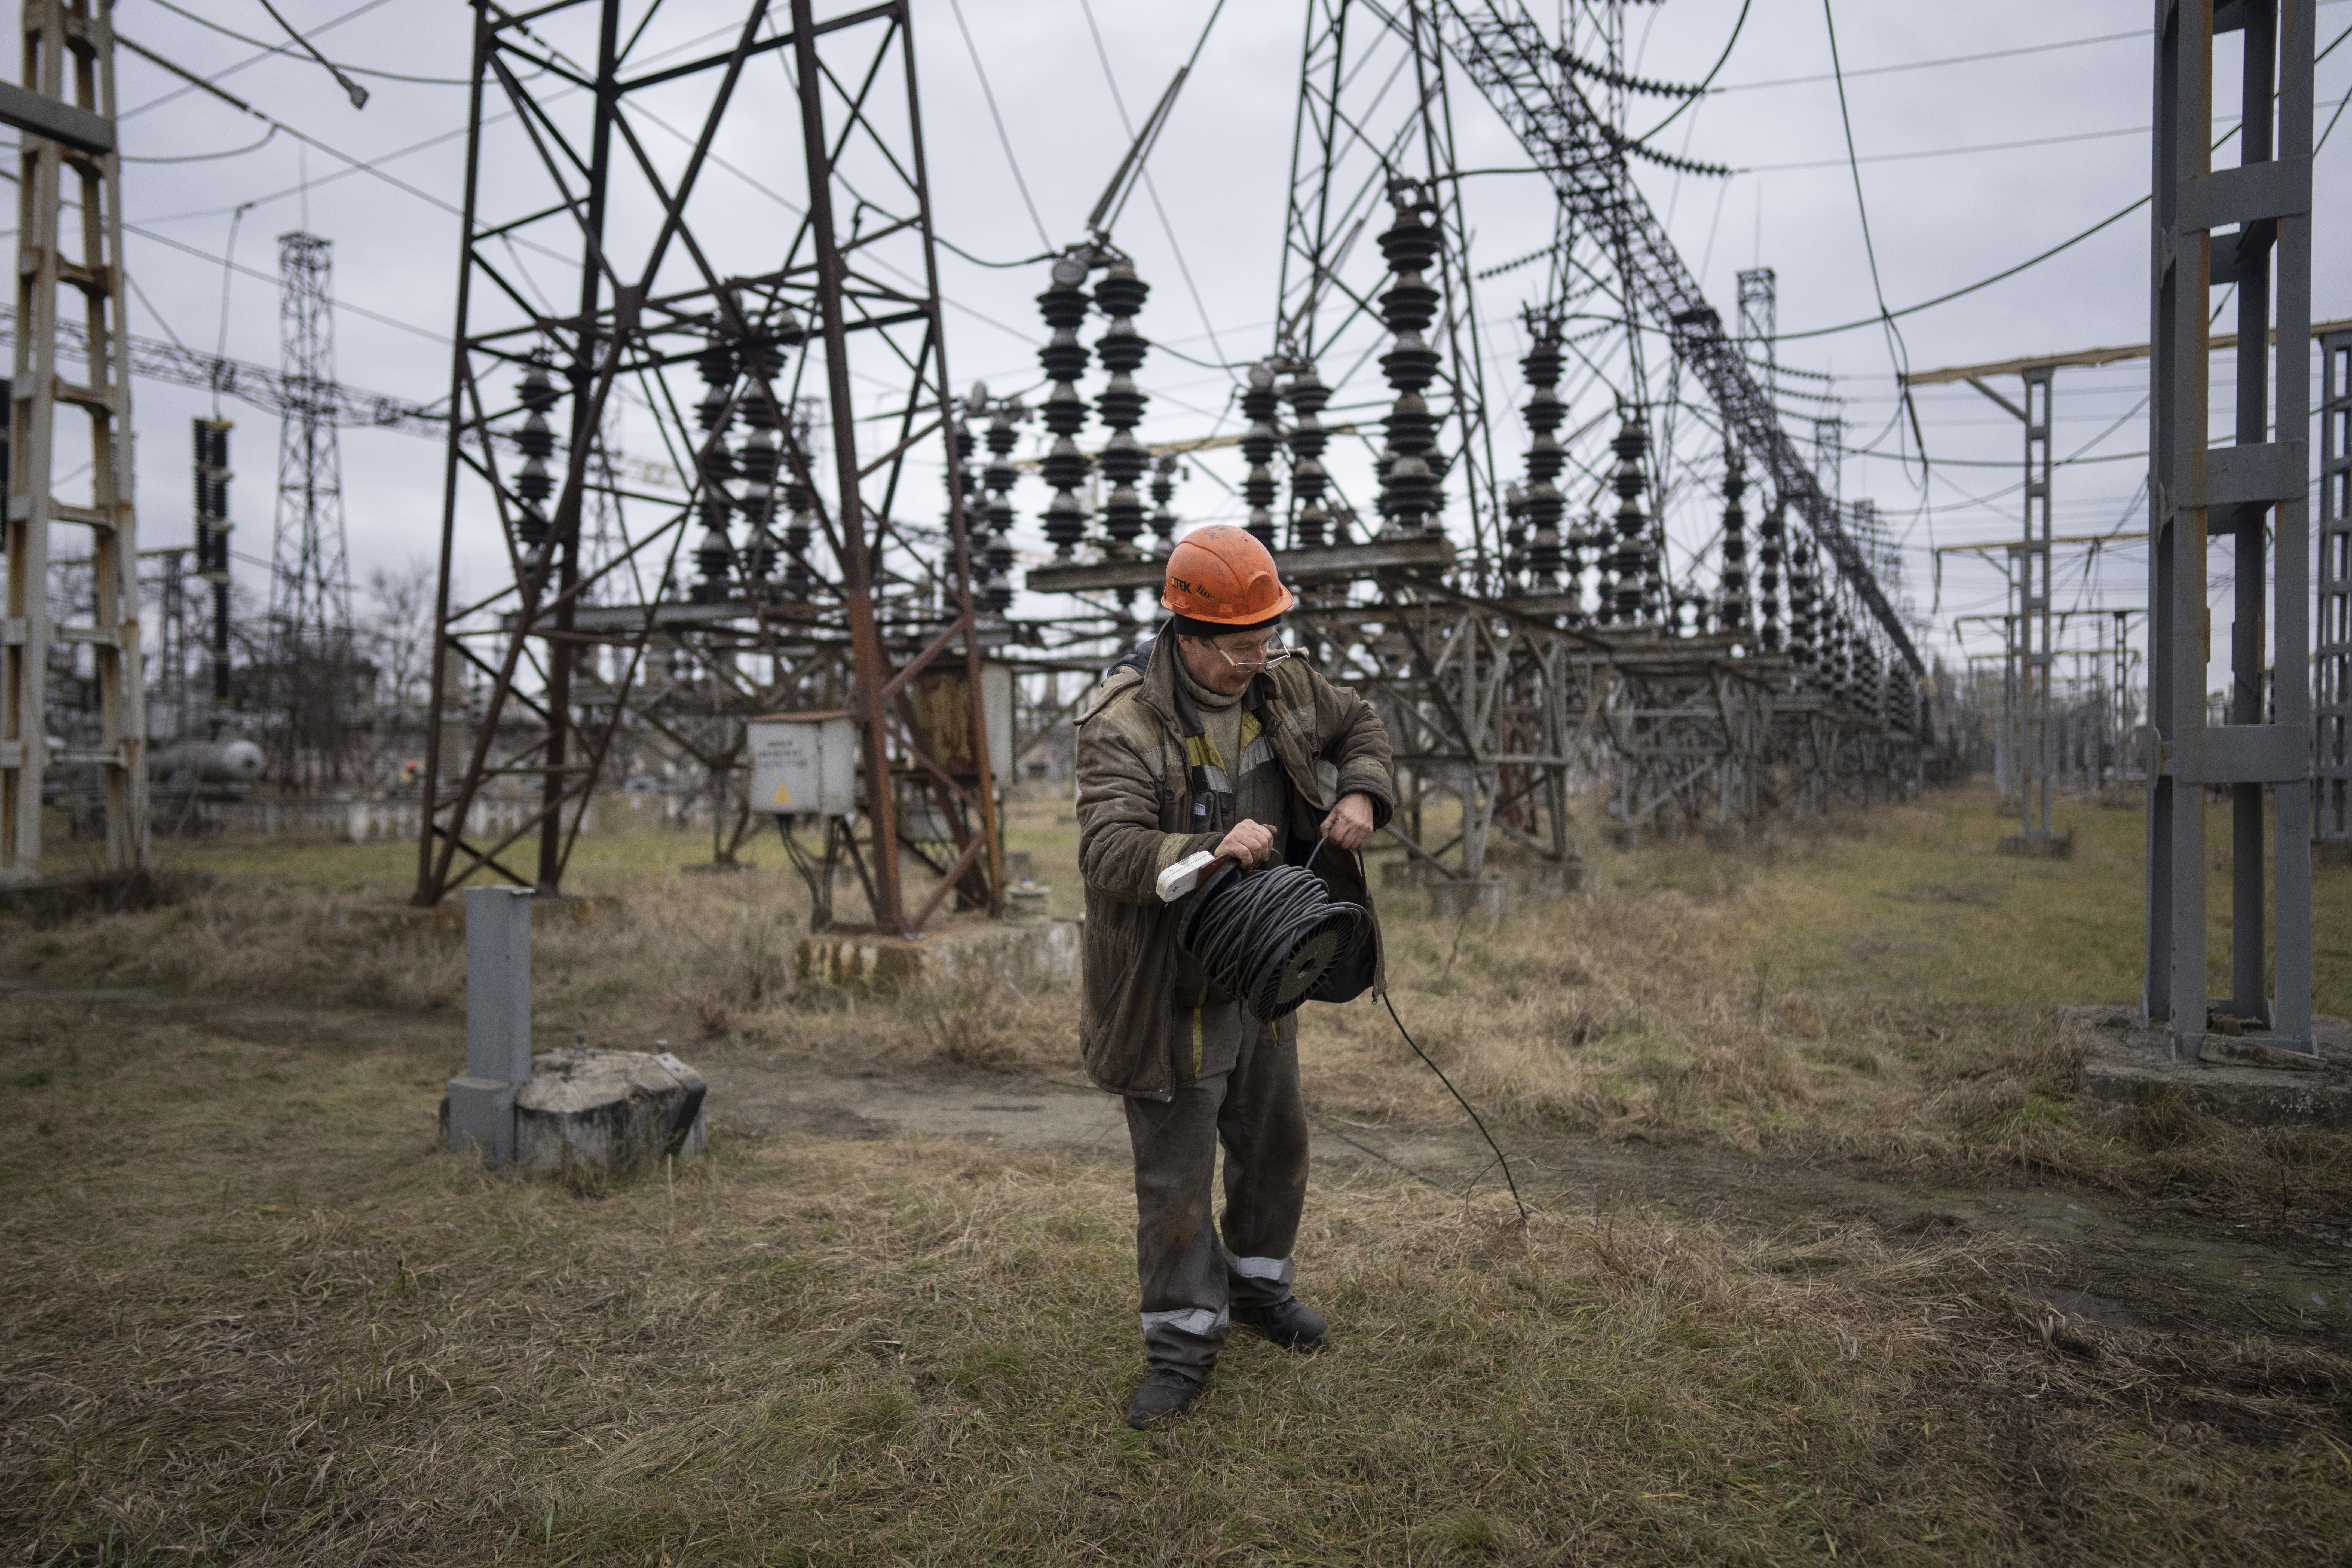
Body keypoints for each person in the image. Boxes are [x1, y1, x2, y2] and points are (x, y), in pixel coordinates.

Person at [1073, 523, 1395, 1430]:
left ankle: (1260, 1292)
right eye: (1242, 646)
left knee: (1276, 1141)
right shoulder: (1123, 722)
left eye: (1268, 638)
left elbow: (1360, 723)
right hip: (1170, 987)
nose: (1260, 659)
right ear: (1189, 636)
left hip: (1267, 970)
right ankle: (1181, 1349)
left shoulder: (1281, 683)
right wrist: (1208, 848)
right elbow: (1106, 850)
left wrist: (1361, 789)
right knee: (1177, 1177)